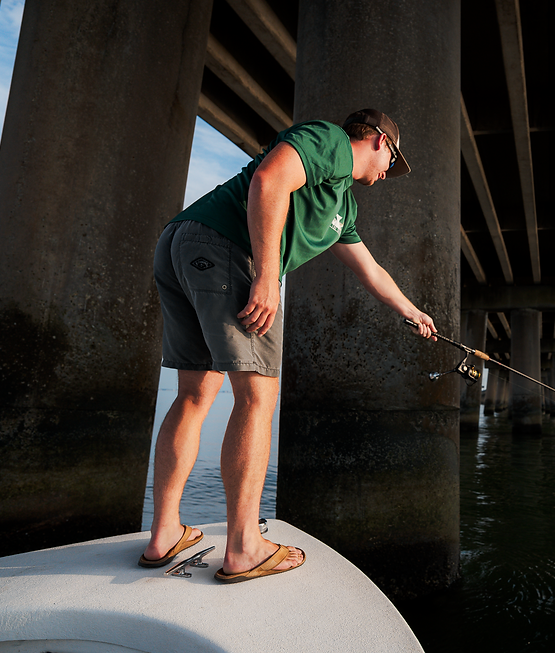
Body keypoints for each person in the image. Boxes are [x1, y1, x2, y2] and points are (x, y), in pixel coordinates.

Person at [139, 109, 437, 583]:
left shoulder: (343, 206)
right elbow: (268, 180)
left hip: (184, 245)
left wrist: (412, 311)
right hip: (226, 250)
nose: (387, 173)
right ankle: (243, 547)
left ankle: (164, 535)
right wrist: (265, 276)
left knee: (196, 395)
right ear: (379, 140)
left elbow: (372, 271)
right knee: (256, 398)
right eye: (391, 161)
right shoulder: (333, 143)